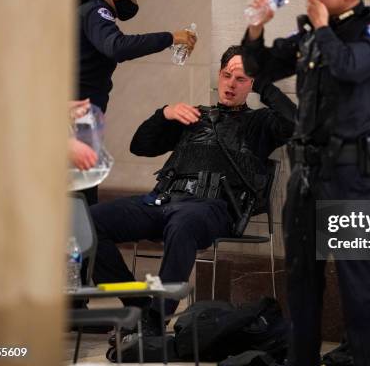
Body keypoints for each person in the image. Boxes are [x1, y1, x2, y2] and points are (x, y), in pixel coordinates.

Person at [241, 0, 370, 364]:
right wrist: (258, 26)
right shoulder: (312, 32)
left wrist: (324, 29)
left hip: (351, 173)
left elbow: (351, 70)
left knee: (359, 282)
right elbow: (257, 67)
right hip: (307, 171)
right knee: (301, 281)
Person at [89, 46, 295, 337]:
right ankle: (139, 307)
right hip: (163, 199)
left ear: (251, 84)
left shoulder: (258, 123)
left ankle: (156, 317)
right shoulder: (195, 116)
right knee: (88, 222)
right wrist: (164, 114)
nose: (231, 84)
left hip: (211, 207)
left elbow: (295, 123)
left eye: (241, 79)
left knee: (182, 223)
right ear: (219, 75)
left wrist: (264, 84)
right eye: (227, 76)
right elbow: (141, 146)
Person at [77, 0, 197, 204]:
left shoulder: (89, 11)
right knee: (81, 193)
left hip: (83, 111)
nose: (134, 3)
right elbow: (117, 47)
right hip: (77, 114)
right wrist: (170, 37)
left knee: (82, 189)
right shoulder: (97, 10)